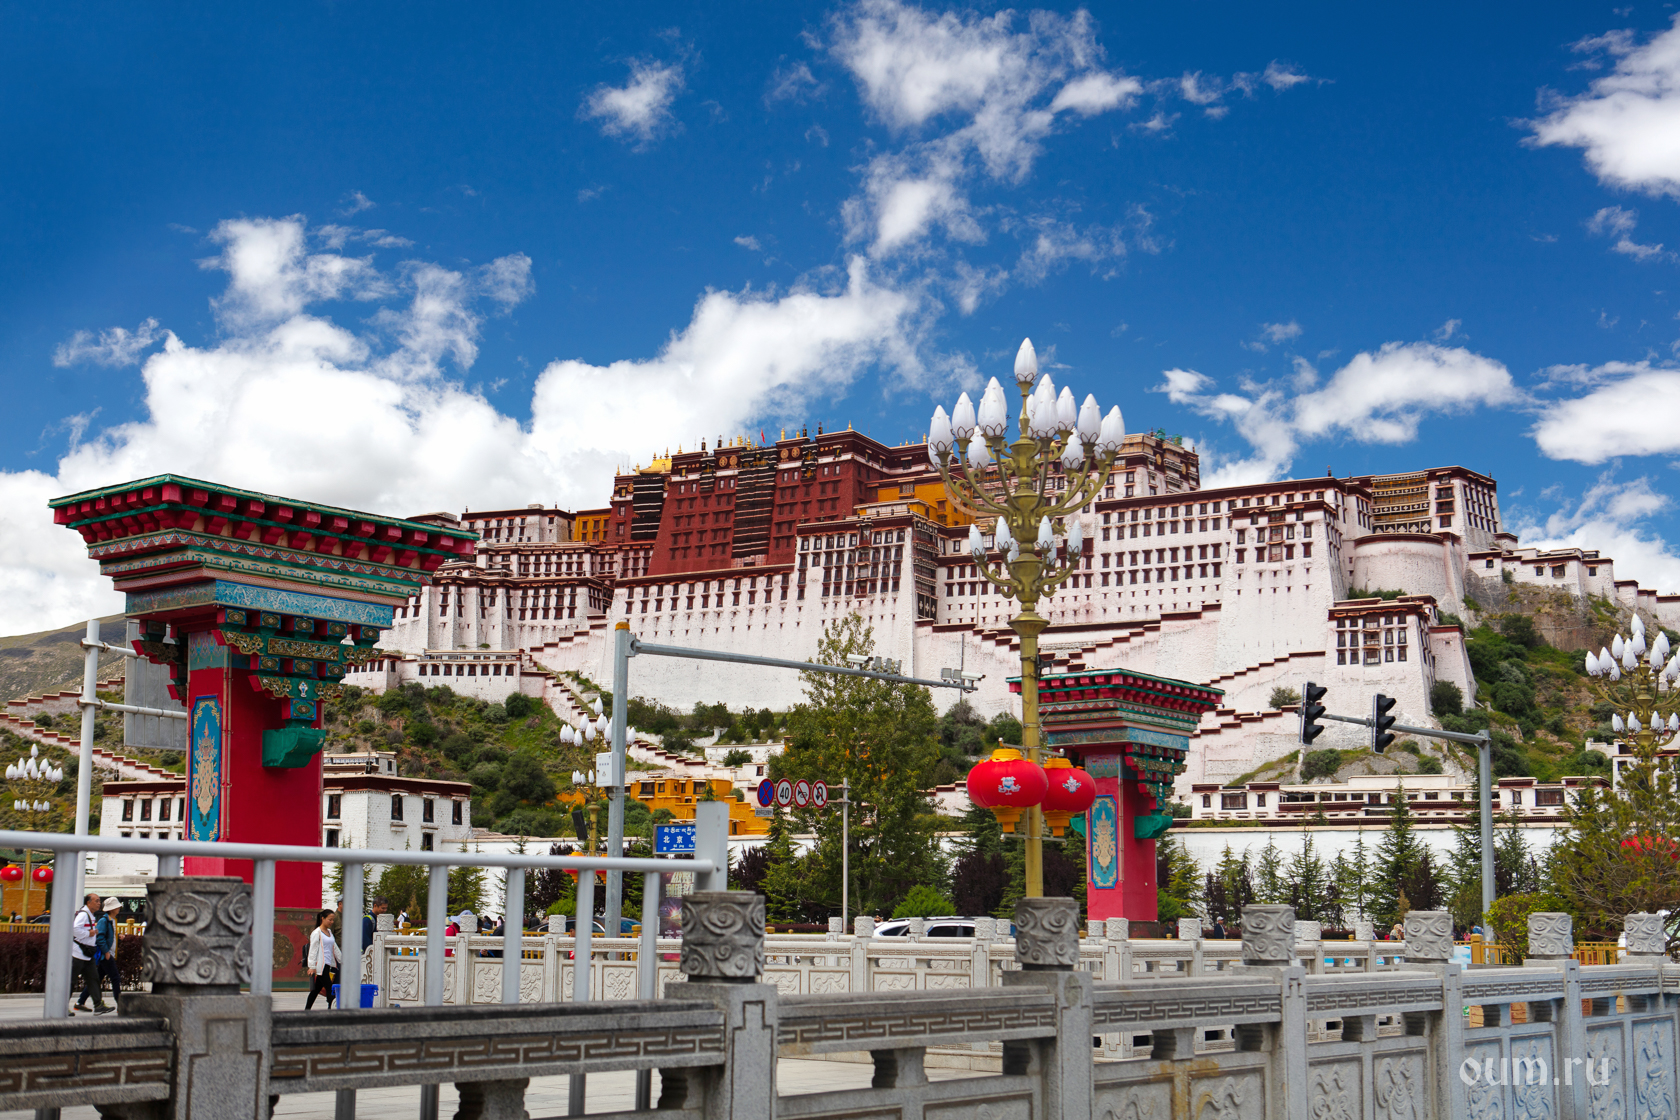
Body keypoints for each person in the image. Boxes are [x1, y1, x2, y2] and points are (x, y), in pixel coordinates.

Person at [71, 893, 112, 1015]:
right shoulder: (83, 914)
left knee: (93, 979)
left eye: (99, 901)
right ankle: (61, 1006)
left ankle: (98, 1005)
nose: (99, 903)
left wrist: (91, 933)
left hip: (87, 955)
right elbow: (75, 929)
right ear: (88, 902)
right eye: (97, 901)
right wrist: (89, 933)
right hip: (78, 954)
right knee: (71, 981)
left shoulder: (90, 914)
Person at [305, 909, 340, 1010]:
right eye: (330, 919)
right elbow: (313, 950)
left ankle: (307, 1010)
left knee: (316, 990)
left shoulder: (329, 932)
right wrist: (312, 966)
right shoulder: (317, 933)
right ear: (323, 919)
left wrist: (342, 960)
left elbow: (335, 948)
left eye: (333, 920)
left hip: (328, 965)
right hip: (320, 966)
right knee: (330, 989)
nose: (331, 922)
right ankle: (331, 1010)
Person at [94, 897, 123, 1013]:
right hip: (106, 955)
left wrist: (119, 937)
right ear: (111, 909)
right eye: (117, 906)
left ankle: (80, 1001)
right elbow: (99, 937)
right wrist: (106, 952)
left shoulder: (113, 920)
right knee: (115, 978)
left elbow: (110, 937)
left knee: (97, 979)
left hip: (108, 954)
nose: (119, 908)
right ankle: (120, 1004)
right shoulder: (104, 920)